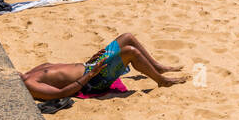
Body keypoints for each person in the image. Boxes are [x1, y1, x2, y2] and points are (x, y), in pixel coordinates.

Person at [20, 33, 187, 100]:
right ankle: (162, 80)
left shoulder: (30, 74)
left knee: (127, 37)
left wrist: (90, 63)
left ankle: (157, 67)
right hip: (93, 81)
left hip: (90, 67)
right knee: (130, 51)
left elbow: (66, 70)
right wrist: (91, 74)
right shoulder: (30, 84)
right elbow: (61, 93)